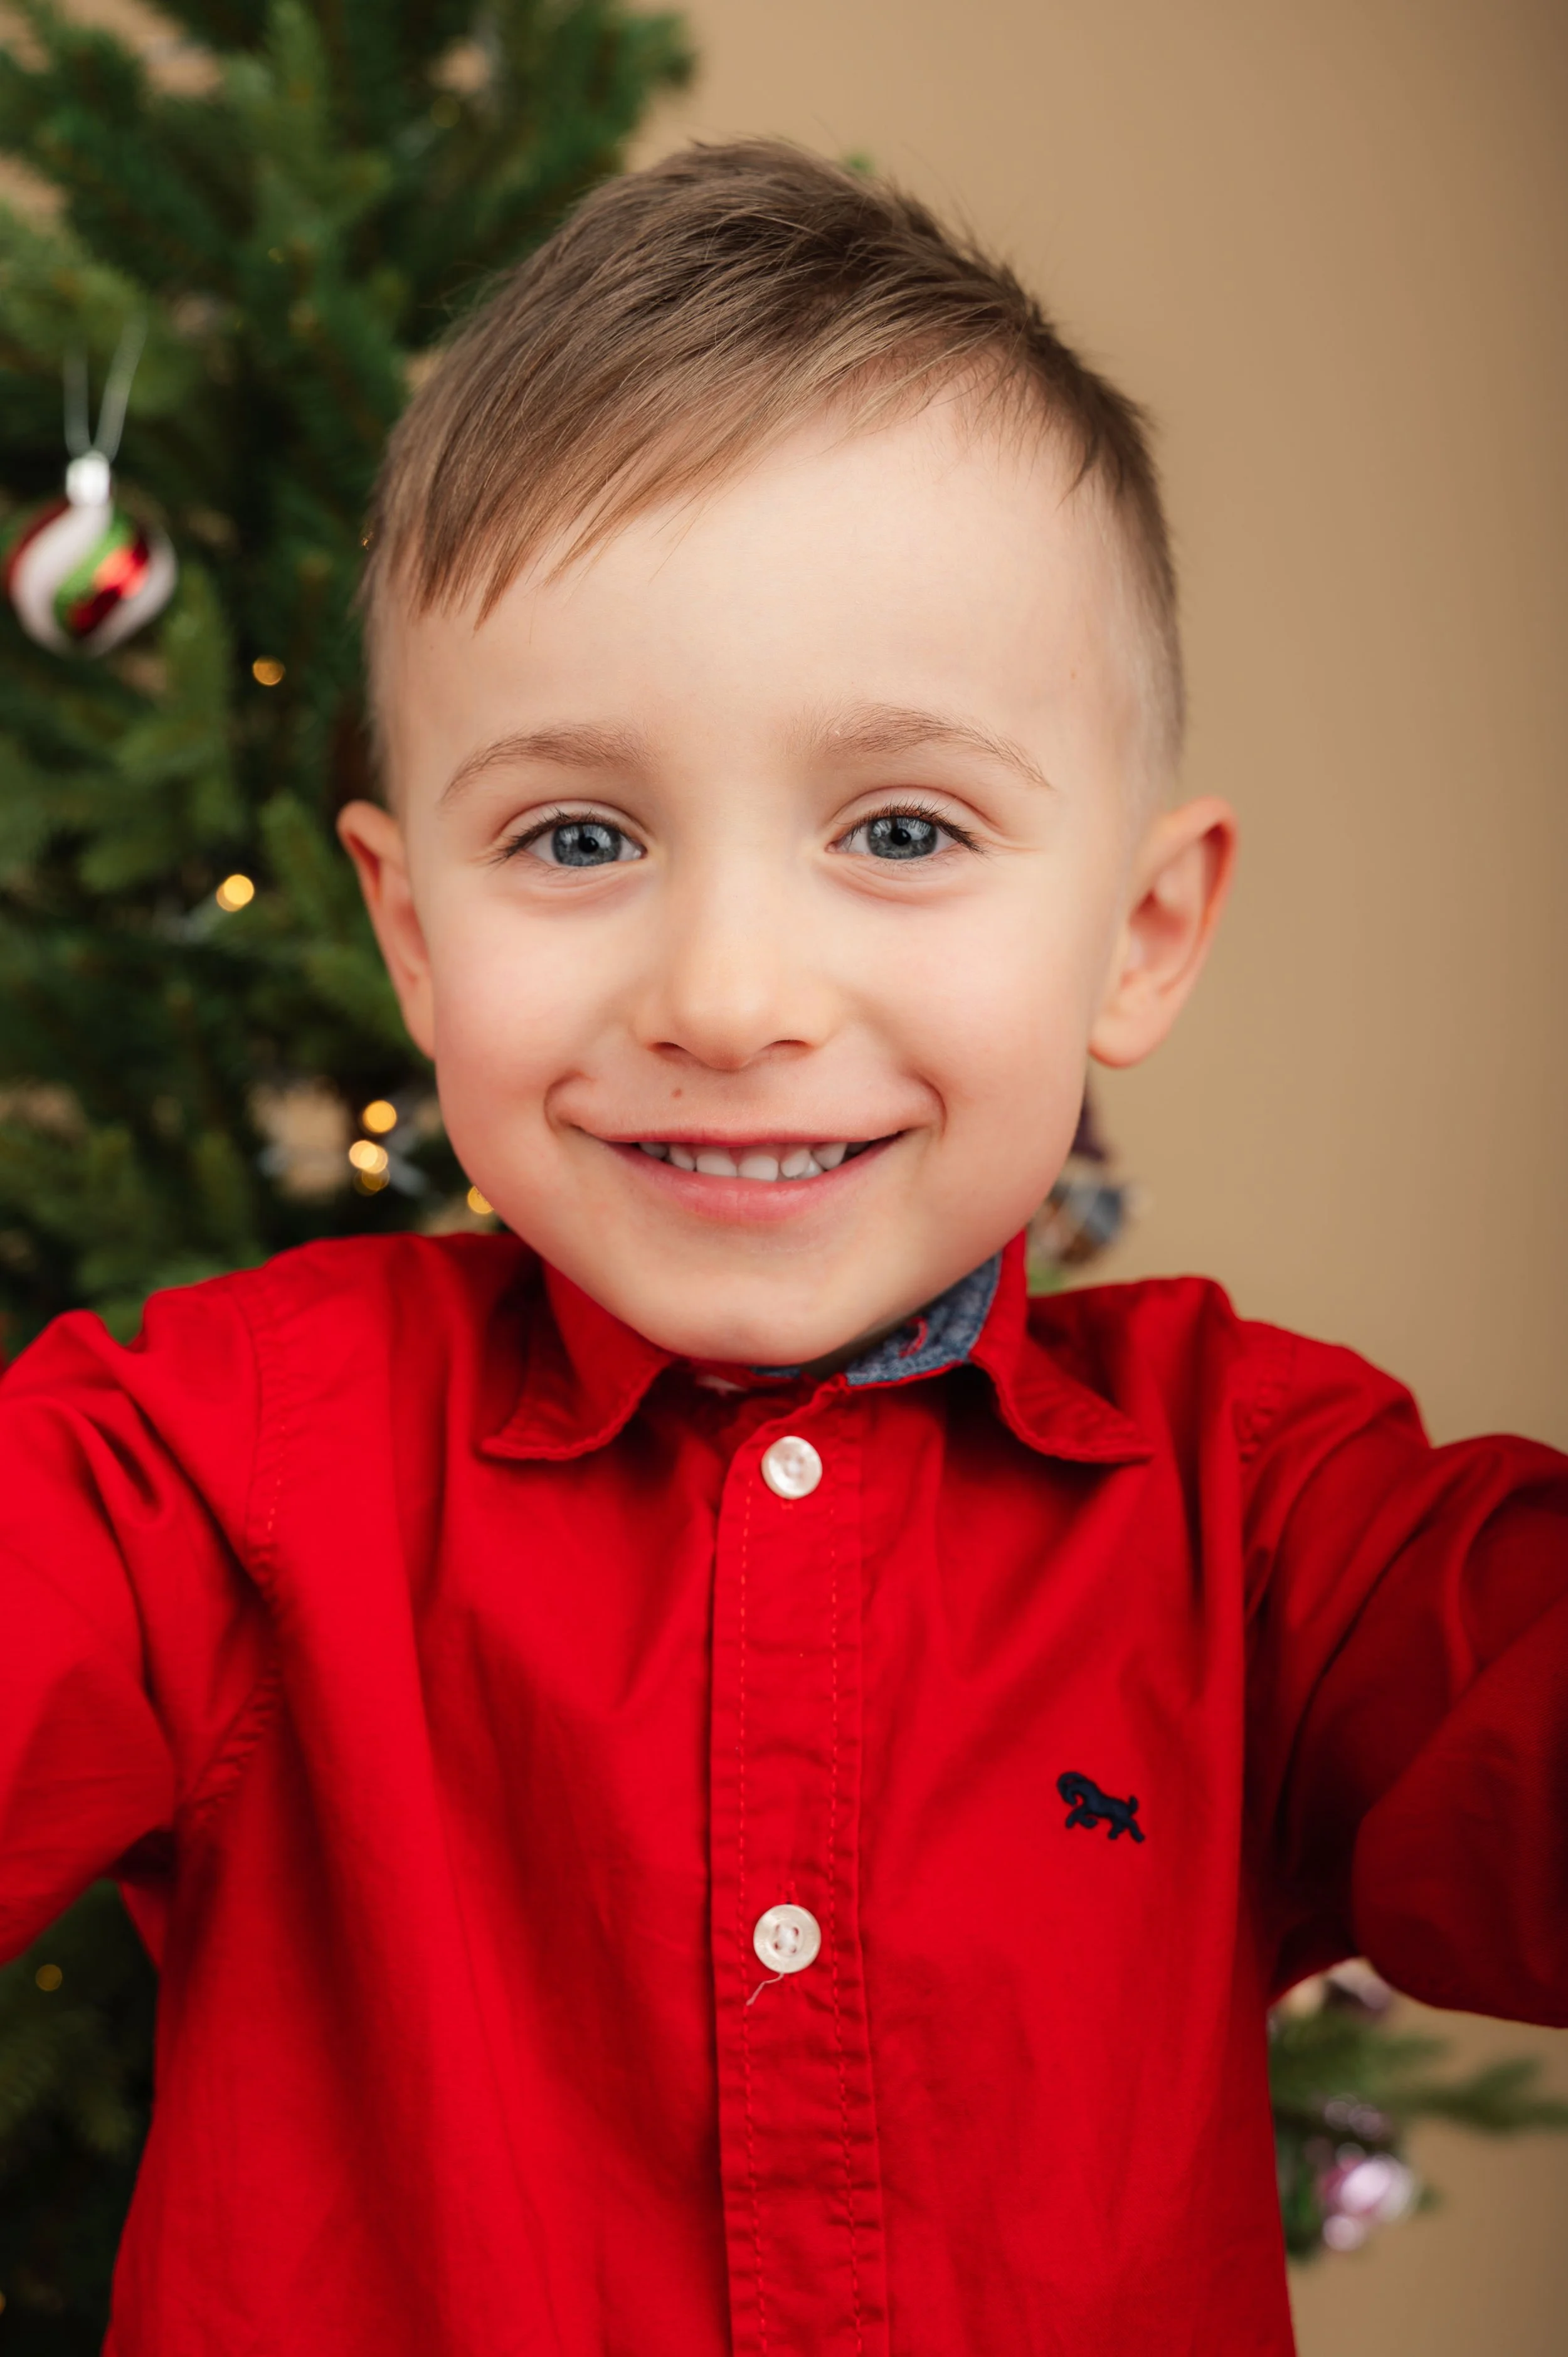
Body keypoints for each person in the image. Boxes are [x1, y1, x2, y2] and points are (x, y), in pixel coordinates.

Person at [1, 140, 1562, 2357]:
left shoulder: (1270, 1517)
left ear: (1138, 930)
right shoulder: (215, 1469)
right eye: (575, 833)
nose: (727, 996)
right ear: (412, 934)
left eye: (900, 827)